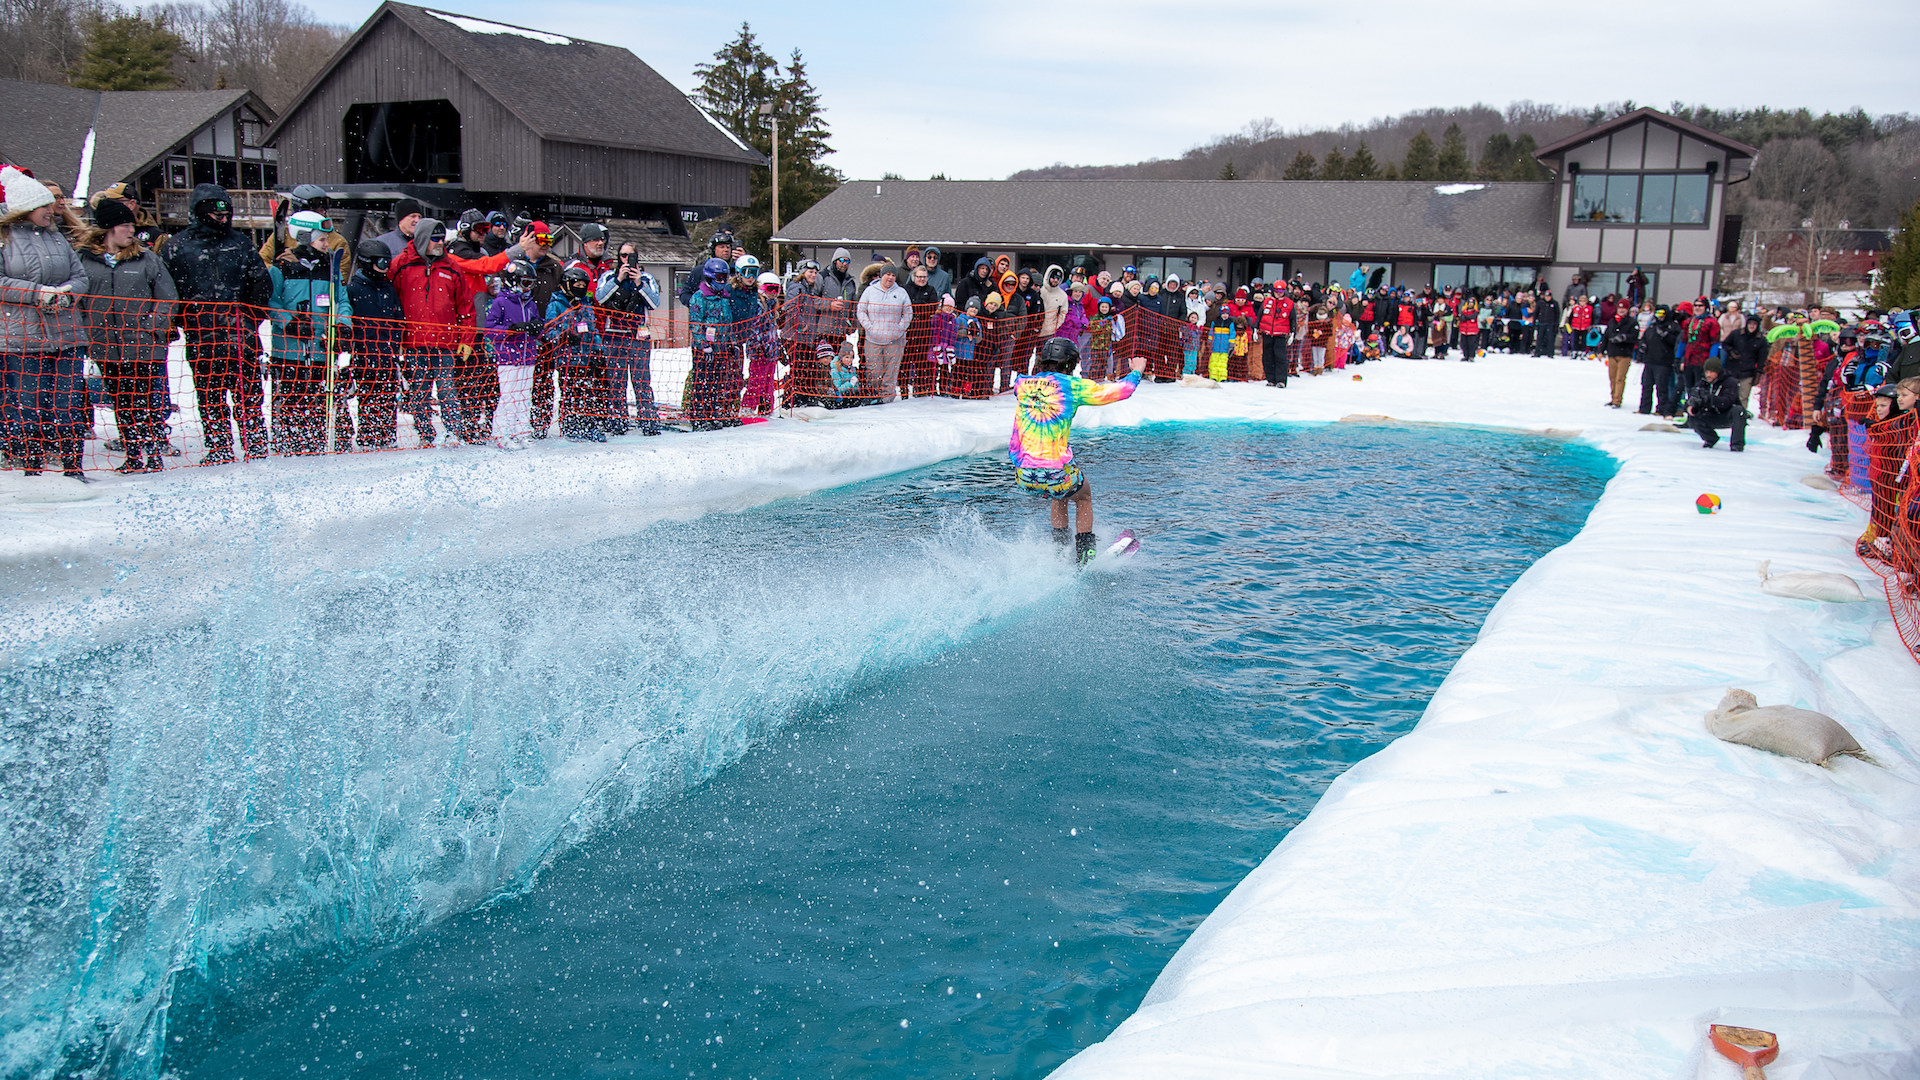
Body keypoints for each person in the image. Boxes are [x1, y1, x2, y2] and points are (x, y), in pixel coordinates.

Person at [160, 182, 273, 464]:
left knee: (249, 394)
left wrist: (251, 317)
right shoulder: (177, 247)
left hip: (241, 336)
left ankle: (255, 445)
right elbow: (167, 290)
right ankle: (218, 448)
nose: (222, 218)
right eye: (215, 213)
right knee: (209, 396)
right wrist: (178, 322)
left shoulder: (240, 243)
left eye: (226, 213)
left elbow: (261, 284)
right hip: (202, 336)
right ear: (200, 212)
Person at [1009, 338, 1146, 565]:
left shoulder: (1022, 384)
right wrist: (1136, 372)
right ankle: (1085, 557)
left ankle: (1060, 551)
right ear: (1071, 363)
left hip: (1023, 474)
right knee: (1083, 496)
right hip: (1054, 471)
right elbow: (1121, 391)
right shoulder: (1072, 386)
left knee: (1060, 494)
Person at [76, 194, 177, 473]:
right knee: (121, 401)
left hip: (143, 345)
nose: (132, 231)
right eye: (125, 226)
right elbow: (79, 300)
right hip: (105, 345)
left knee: (146, 400)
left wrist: (151, 327)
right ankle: (133, 454)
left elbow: (167, 298)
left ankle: (154, 453)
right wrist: (86, 331)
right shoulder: (84, 260)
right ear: (108, 228)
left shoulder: (147, 259)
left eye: (132, 227)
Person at [2, 166, 92, 477]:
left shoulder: (57, 239)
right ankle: (32, 467)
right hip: (23, 338)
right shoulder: (4, 238)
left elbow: (80, 277)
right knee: (28, 407)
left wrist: (67, 293)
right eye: (44, 205)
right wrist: (38, 293)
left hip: (66, 334)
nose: (51, 211)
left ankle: (72, 466)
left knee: (67, 405)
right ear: (26, 208)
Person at [266, 210, 353, 454]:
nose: (327, 244)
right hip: (290, 350)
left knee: (318, 398)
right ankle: (289, 441)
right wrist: (288, 321)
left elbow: (341, 300)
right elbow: (271, 302)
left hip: (320, 349)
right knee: (291, 397)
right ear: (304, 237)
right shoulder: (282, 267)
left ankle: (315, 441)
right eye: (322, 239)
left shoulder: (330, 268)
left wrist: (343, 323)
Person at [388, 217, 478, 445]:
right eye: (434, 239)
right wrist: (395, 336)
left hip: (445, 343)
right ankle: (425, 434)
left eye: (442, 238)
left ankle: (453, 433)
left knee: (448, 391)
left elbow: (466, 307)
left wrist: (466, 339)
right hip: (414, 343)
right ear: (422, 239)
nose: (439, 243)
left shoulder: (451, 267)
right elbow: (392, 301)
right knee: (419, 392)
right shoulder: (402, 264)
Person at [346, 239, 404, 449]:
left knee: (388, 395)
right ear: (366, 262)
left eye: (387, 263)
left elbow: (399, 318)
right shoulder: (354, 289)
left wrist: (396, 342)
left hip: (387, 352)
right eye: (381, 263)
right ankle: (368, 435)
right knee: (369, 394)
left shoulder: (388, 288)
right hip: (365, 354)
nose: (385, 268)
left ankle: (387, 434)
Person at [857, 262, 911, 402]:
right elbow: (861, 310)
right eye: (888, 274)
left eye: (893, 275)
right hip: (873, 339)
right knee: (875, 371)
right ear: (882, 275)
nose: (890, 278)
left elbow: (907, 313)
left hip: (895, 340)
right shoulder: (870, 291)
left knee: (890, 372)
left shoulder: (901, 293)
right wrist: (869, 327)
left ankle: (887, 399)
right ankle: (874, 396)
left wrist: (899, 329)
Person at [1686, 357, 1745, 451]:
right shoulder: (1702, 383)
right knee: (1693, 417)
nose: (1708, 375)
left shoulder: (1730, 382)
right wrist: (1691, 405)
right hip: (1710, 415)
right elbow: (1691, 399)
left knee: (1739, 411)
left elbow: (1727, 401)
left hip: (1726, 414)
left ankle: (1737, 445)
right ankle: (1710, 438)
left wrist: (1710, 399)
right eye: (1707, 372)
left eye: (1711, 372)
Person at [1636, 306, 1681, 416]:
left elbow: (1677, 342)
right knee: (1646, 385)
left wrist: (1666, 335)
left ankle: (1661, 409)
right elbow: (1643, 338)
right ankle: (1644, 408)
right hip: (1649, 360)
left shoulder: (1673, 326)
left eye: (1661, 314)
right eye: (1657, 314)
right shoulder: (1652, 326)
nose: (1659, 317)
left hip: (1664, 362)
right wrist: (1642, 345)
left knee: (1662, 387)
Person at [1721, 315, 1769, 412]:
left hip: (1748, 371)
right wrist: (1731, 351)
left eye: (1754, 324)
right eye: (1750, 323)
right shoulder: (1736, 334)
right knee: (1729, 394)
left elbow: (1762, 358)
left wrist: (1759, 372)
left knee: (1743, 396)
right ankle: (1726, 414)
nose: (1752, 326)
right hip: (1732, 369)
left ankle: (1740, 415)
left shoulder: (1761, 340)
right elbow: (1725, 343)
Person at [1601, 306, 1638, 408]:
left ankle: (1617, 400)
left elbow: (1635, 336)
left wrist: (1624, 338)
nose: (1621, 311)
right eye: (1620, 308)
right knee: (1612, 377)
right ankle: (1613, 398)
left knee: (1620, 378)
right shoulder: (1612, 321)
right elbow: (1606, 336)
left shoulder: (1632, 322)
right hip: (1612, 353)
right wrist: (1601, 350)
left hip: (1625, 354)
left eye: (1624, 309)